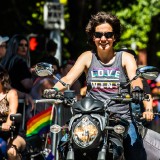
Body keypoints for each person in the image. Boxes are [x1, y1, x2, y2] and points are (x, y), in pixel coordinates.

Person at [43, 11, 153, 160]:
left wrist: (138, 90)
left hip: (120, 118)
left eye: (108, 35)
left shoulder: (125, 57)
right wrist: (53, 90)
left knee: (135, 150)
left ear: (114, 37)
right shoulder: (87, 57)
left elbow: (135, 78)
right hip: (90, 117)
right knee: (64, 144)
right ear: (93, 37)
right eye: (98, 35)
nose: (103, 39)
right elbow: (68, 78)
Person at [0, 34, 34, 130]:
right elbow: (28, 84)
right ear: (14, 47)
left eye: (26, 45)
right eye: (20, 45)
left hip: (7, 103)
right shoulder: (19, 62)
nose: (24, 48)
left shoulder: (5, 62)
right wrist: (36, 76)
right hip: (18, 103)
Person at [0, 65, 26, 160]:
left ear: (2, 78)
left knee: (11, 152)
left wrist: (7, 123)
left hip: (13, 134)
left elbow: (12, 111)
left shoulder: (11, 93)